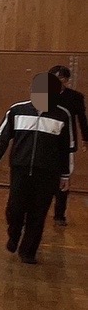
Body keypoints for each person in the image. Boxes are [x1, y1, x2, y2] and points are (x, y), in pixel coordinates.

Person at [0, 73, 75, 264]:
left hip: (48, 173)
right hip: (21, 170)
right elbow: (1, 137)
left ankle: (28, 251)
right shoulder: (17, 110)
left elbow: (67, 148)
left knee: (38, 213)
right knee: (14, 210)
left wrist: (65, 174)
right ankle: (14, 234)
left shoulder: (62, 115)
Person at [49, 65, 87, 226]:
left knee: (63, 179)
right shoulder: (43, 94)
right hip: (47, 140)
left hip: (66, 143)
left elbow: (82, 119)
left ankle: (59, 215)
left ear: (67, 80)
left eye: (61, 79)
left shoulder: (75, 97)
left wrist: (86, 138)